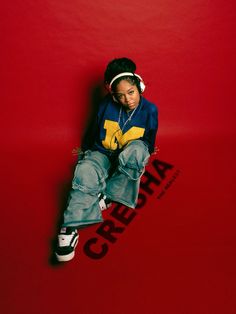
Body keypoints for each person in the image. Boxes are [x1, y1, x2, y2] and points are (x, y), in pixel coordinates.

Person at [55, 57, 158, 262]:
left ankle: (109, 194)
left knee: (137, 151)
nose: (127, 100)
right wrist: (86, 155)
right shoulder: (105, 105)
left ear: (140, 87)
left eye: (131, 92)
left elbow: (148, 140)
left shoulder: (150, 110)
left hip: (126, 156)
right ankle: (71, 225)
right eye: (120, 96)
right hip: (103, 152)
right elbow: (94, 131)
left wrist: (142, 154)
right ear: (113, 96)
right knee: (84, 171)